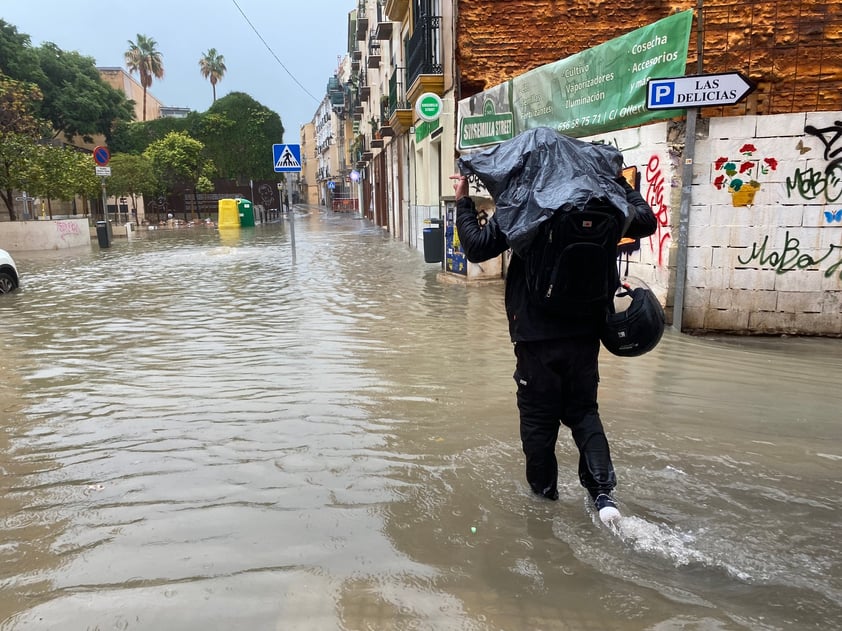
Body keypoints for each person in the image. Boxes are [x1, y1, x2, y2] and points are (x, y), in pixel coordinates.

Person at [450, 171, 657, 524]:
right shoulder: (604, 202)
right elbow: (648, 222)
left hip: (535, 339)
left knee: (538, 424)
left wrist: (463, 201)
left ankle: (544, 507)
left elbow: (477, 247)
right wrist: (619, 184)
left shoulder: (524, 201)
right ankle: (603, 495)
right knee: (584, 413)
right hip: (585, 335)